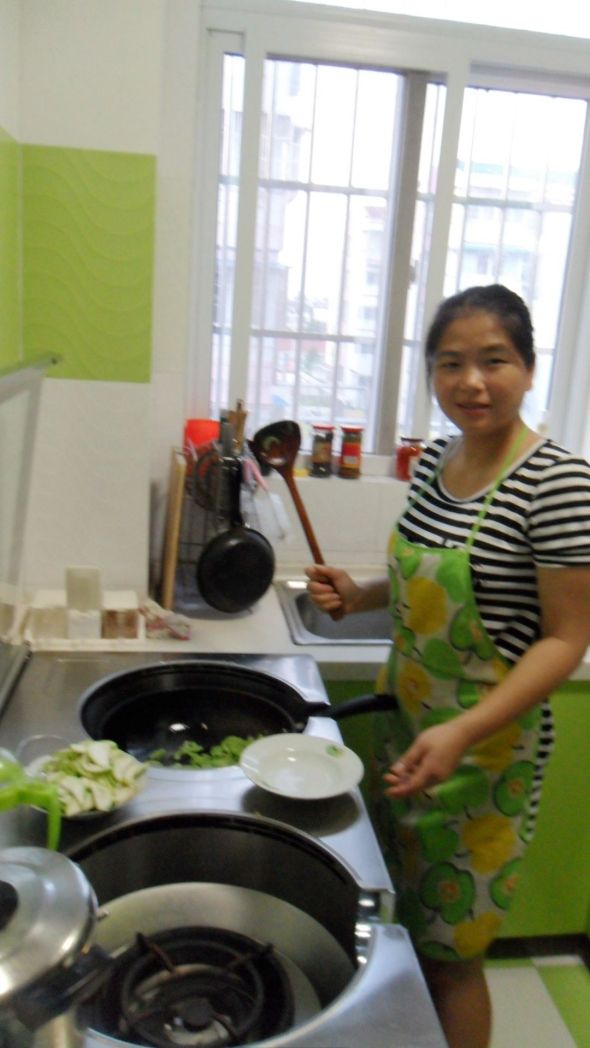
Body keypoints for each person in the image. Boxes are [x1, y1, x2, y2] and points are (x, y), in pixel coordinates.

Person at [306, 284, 590, 1048]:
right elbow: (425, 578)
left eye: (494, 361)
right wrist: (362, 593)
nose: (471, 382)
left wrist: (463, 731)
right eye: (450, 363)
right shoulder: (436, 460)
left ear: (528, 368)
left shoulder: (559, 482)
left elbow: (567, 640)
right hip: (410, 735)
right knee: (404, 922)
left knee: (453, 955)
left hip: (483, 756)